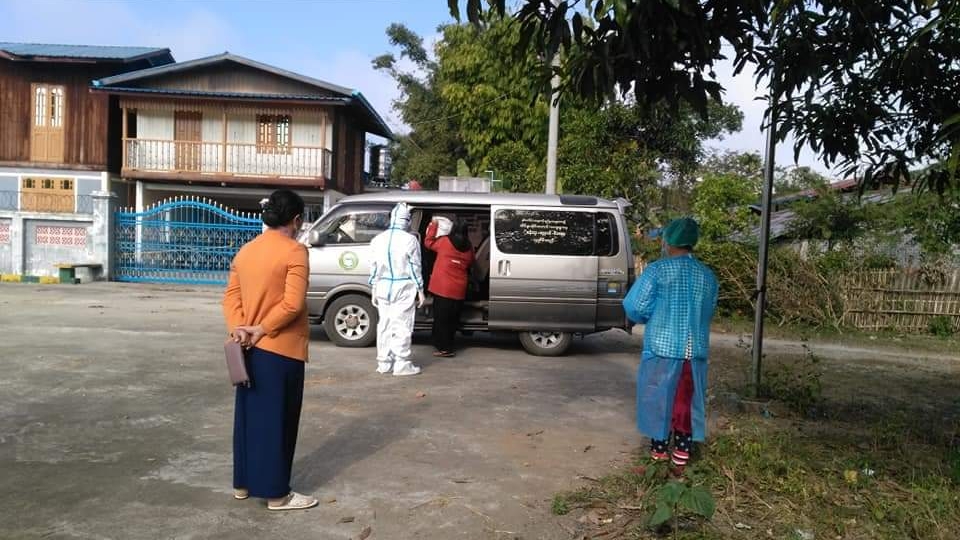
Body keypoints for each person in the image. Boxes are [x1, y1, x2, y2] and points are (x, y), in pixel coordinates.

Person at [222, 189, 317, 511]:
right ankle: (277, 494)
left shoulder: (247, 250)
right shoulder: (295, 251)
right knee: (278, 423)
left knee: (249, 419)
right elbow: (292, 304)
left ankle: (243, 484)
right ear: (297, 219)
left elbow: (231, 297)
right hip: (281, 349)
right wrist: (262, 329)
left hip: (247, 349)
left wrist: (239, 328)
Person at [622, 217, 718, 471]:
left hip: (662, 348)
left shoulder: (657, 270)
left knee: (658, 400)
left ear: (668, 241)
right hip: (694, 351)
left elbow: (635, 306)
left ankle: (658, 455)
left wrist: (650, 316)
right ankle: (681, 457)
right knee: (685, 402)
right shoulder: (707, 275)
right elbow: (709, 310)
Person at [368, 202, 425, 376]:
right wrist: (420, 289)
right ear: (406, 220)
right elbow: (415, 266)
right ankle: (402, 363)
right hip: (404, 286)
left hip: (383, 286)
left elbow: (373, 267)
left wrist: (374, 288)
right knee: (402, 324)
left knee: (384, 324)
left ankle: (384, 363)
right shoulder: (410, 240)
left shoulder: (378, 240)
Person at [424, 218, 475, 357]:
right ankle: (448, 346)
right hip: (459, 288)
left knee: (441, 319)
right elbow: (471, 261)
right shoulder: (469, 246)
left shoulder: (445, 241)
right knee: (452, 319)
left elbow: (428, 242)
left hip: (443, 287)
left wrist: (434, 225)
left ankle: (444, 348)